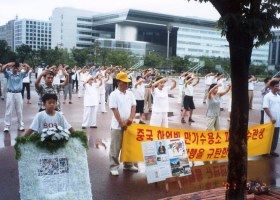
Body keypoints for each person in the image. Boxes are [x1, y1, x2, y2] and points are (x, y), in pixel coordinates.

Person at [109, 71, 137, 176]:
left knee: (128, 145)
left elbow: (134, 106)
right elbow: (115, 110)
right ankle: (113, 166)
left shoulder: (130, 93)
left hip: (129, 124)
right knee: (115, 147)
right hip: (117, 125)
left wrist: (131, 118)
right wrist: (121, 123)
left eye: (127, 82)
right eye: (125, 82)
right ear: (119, 82)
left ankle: (128, 164)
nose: (127, 84)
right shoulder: (113, 94)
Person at [1, 62, 30, 132]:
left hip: (18, 94)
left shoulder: (21, 75)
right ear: (12, 68)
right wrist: (8, 64)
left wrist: (24, 65)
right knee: (8, 110)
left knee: (19, 110)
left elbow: (28, 69)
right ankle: (6, 126)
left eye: (17, 68)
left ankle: (21, 125)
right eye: (14, 67)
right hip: (10, 93)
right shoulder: (8, 74)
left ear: (18, 68)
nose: (15, 69)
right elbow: (3, 69)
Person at [263, 79, 280, 157]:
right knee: (268, 137)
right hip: (269, 121)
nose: (278, 87)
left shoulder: (278, 96)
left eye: (278, 86)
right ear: (272, 87)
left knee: (275, 136)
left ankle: (272, 150)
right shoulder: (267, 96)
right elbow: (266, 108)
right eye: (276, 86)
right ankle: (265, 152)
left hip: (277, 121)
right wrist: (271, 117)